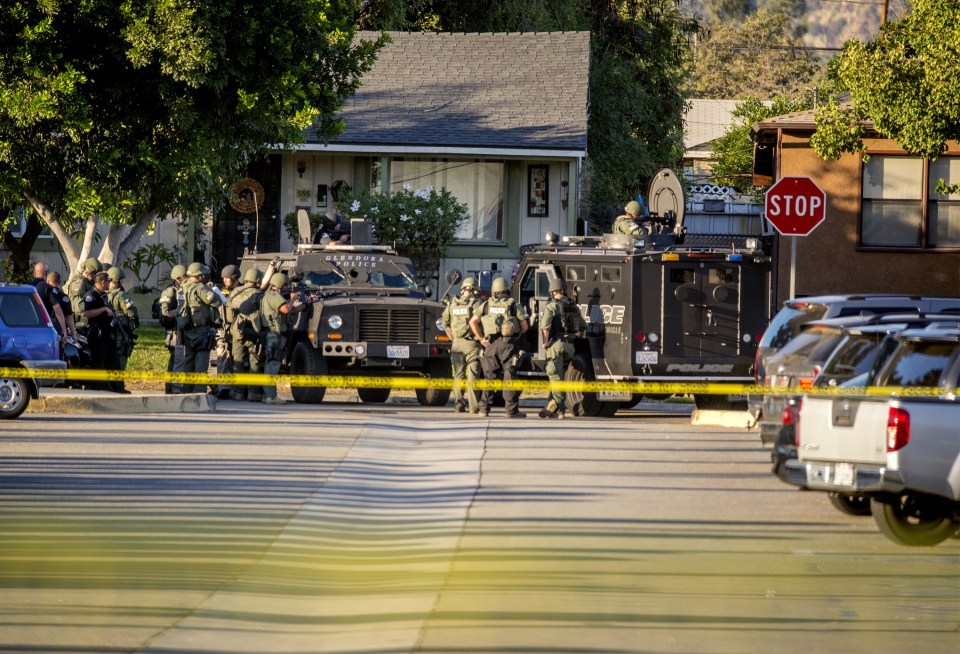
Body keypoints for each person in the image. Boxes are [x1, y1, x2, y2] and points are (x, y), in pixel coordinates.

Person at [469, 276, 529, 418]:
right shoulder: (513, 304)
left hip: (490, 345)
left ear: (494, 291)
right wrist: (517, 335)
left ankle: (484, 409)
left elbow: (473, 322)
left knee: (489, 377)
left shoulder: (486, 305)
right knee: (509, 376)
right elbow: (525, 326)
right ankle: (511, 411)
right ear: (507, 290)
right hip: (508, 344)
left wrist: (481, 339)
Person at [538, 278, 586, 420]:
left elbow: (545, 327)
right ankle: (549, 408)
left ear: (553, 291)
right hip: (570, 347)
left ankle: (560, 409)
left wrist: (545, 343)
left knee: (555, 378)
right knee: (560, 378)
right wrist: (574, 338)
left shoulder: (552, 306)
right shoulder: (573, 306)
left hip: (556, 346)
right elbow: (582, 327)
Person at [259, 271, 310, 404]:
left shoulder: (271, 295)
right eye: (286, 286)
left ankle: (268, 395)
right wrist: (293, 298)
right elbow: (287, 309)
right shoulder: (274, 296)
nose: (288, 289)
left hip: (273, 334)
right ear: (280, 285)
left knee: (271, 364)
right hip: (274, 334)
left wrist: (305, 305)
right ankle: (270, 396)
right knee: (273, 365)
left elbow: (291, 311)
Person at [178, 262, 223, 393]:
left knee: (189, 360)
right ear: (199, 276)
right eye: (202, 275)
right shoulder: (201, 288)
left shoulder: (182, 289)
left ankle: (186, 388)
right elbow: (216, 301)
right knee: (202, 360)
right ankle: (199, 389)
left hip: (186, 329)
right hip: (201, 329)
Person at [83, 271, 128, 393]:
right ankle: (101, 387)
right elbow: (88, 313)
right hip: (97, 335)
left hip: (107, 334)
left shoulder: (103, 295)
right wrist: (103, 309)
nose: (110, 283)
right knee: (99, 362)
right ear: (103, 282)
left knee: (114, 361)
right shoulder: (91, 295)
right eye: (108, 281)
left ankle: (118, 388)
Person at [227, 267, 268, 402]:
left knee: (238, 362)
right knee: (254, 362)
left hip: (236, 331)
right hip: (252, 333)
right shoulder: (259, 295)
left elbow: (228, 314)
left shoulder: (235, 292)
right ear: (257, 280)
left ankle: (239, 393)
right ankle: (253, 392)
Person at [442, 277, 481, 413]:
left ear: (463, 289)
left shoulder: (452, 304)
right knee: (472, 376)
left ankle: (458, 406)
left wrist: (452, 337)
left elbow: (444, 321)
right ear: (474, 290)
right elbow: (481, 322)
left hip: (456, 344)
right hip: (472, 344)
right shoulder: (476, 304)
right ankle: (474, 407)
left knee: (458, 376)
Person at [213, 265, 241, 399]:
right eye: (223, 278)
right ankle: (223, 387)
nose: (225, 280)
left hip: (237, 330)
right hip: (223, 330)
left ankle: (236, 389)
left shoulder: (242, 291)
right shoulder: (221, 291)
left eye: (227, 278)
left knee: (236, 359)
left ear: (235, 279)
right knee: (222, 357)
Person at [158, 265, 186, 394]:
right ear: (177, 279)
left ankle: (172, 388)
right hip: (174, 332)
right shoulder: (170, 292)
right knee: (176, 361)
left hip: (182, 331)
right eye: (185, 277)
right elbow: (166, 314)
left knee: (178, 361)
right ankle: (172, 389)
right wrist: (182, 310)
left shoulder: (184, 290)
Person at [106, 267, 139, 374]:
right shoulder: (121, 295)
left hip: (107, 332)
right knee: (120, 357)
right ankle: (118, 385)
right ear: (119, 280)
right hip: (120, 331)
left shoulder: (103, 294)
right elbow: (131, 312)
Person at [68, 257, 101, 330]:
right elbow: (78, 306)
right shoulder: (80, 282)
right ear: (91, 272)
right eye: (95, 273)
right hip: (81, 323)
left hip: (89, 321)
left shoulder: (88, 283)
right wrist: (96, 307)